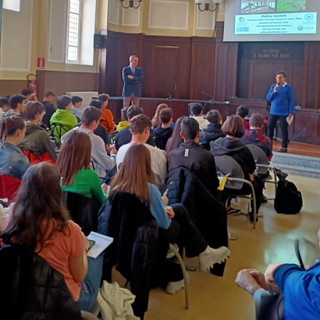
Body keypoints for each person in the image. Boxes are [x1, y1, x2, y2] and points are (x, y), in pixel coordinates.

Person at [110, 144, 230, 289]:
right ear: (147, 164)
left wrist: (161, 207)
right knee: (180, 216)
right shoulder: (150, 190)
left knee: (178, 208)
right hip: (150, 236)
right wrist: (162, 205)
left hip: (128, 237)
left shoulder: (115, 187)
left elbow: (135, 213)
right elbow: (165, 224)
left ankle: (204, 250)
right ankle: (203, 251)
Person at [0, 163, 103, 312]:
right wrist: (83, 249)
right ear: (57, 191)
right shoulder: (69, 231)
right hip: (62, 303)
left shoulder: (11, 222)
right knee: (97, 255)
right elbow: (79, 276)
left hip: (22, 296)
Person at [210, 115, 264, 221]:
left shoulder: (214, 144)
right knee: (258, 182)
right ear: (241, 129)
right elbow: (251, 169)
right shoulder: (244, 149)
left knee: (225, 173)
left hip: (218, 183)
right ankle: (254, 213)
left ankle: (226, 206)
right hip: (241, 186)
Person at [168, 117, 219, 196]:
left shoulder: (171, 155)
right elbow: (214, 184)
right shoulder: (207, 155)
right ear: (198, 134)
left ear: (181, 134)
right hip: (200, 200)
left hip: (176, 199)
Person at [62, 106, 116, 179]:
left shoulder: (67, 135)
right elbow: (108, 165)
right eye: (99, 121)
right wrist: (113, 155)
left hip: (70, 173)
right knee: (115, 167)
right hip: (91, 175)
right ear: (94, 122)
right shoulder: (95, 140)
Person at [57, 130, 106, 206]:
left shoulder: (52, 174)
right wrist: (104, 191)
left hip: (59, 216)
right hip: (83, 216)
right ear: (86, 151)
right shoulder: (90, 175)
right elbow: (103, 202)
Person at [266, 71, 295, 153]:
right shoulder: (273, 86)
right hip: (273, 111)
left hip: (284, 112)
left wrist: (291, 112)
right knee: (270, 128)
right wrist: (274, 91)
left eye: (280, 77)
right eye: (277, 77)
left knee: (283, 129)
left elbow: (291, 100)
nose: (278, 79)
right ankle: (268, 146)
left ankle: (284, 147)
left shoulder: (288, 87)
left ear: (284, 78)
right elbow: (269, 98)